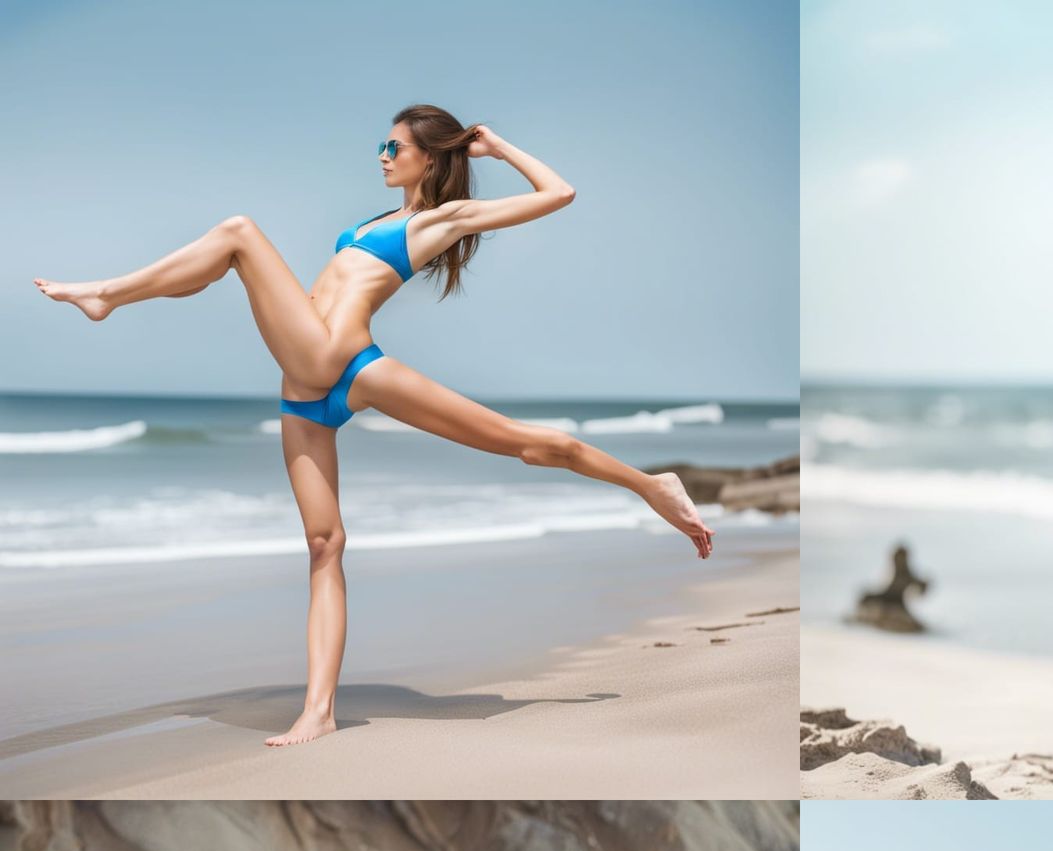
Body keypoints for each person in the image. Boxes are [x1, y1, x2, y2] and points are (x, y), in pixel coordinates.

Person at [33, 104, 716, 746]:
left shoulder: (439, 221)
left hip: (341, 358)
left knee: (239, 233)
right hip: (307, 390)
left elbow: (559, 193)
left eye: (396, 147)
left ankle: (105, 295)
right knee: (325, 545)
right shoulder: (376, 219)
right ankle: (319, 712)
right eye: (383, 144)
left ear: (428, 159)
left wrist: (496, 145)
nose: (383, 154)